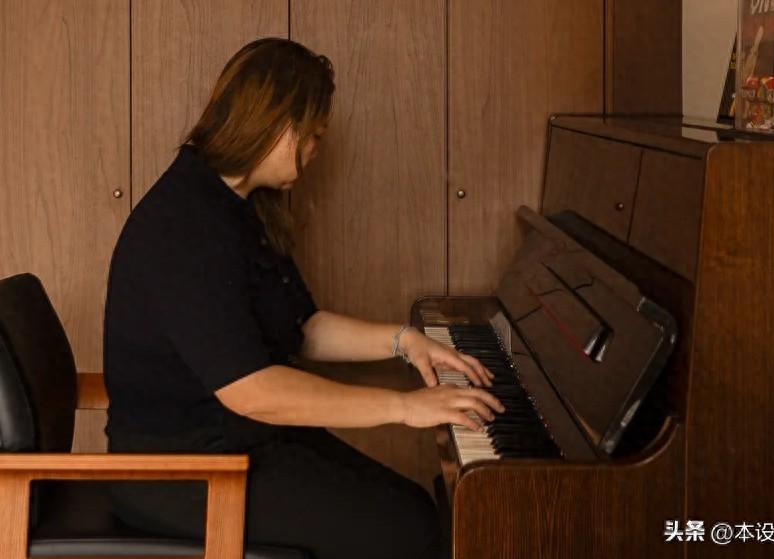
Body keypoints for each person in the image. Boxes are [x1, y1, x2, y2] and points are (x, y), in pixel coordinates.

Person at [103, 37, 504, 559]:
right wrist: (404, 407)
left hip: (242, 443)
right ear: (277, 124)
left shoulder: (239, 206)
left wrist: (405, 341)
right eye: (313, 135)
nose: (317, 150)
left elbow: (301, 327)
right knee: (408, 529)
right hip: (186, 472)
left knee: (414, 510)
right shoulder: (184, 227)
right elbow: (251, 391)